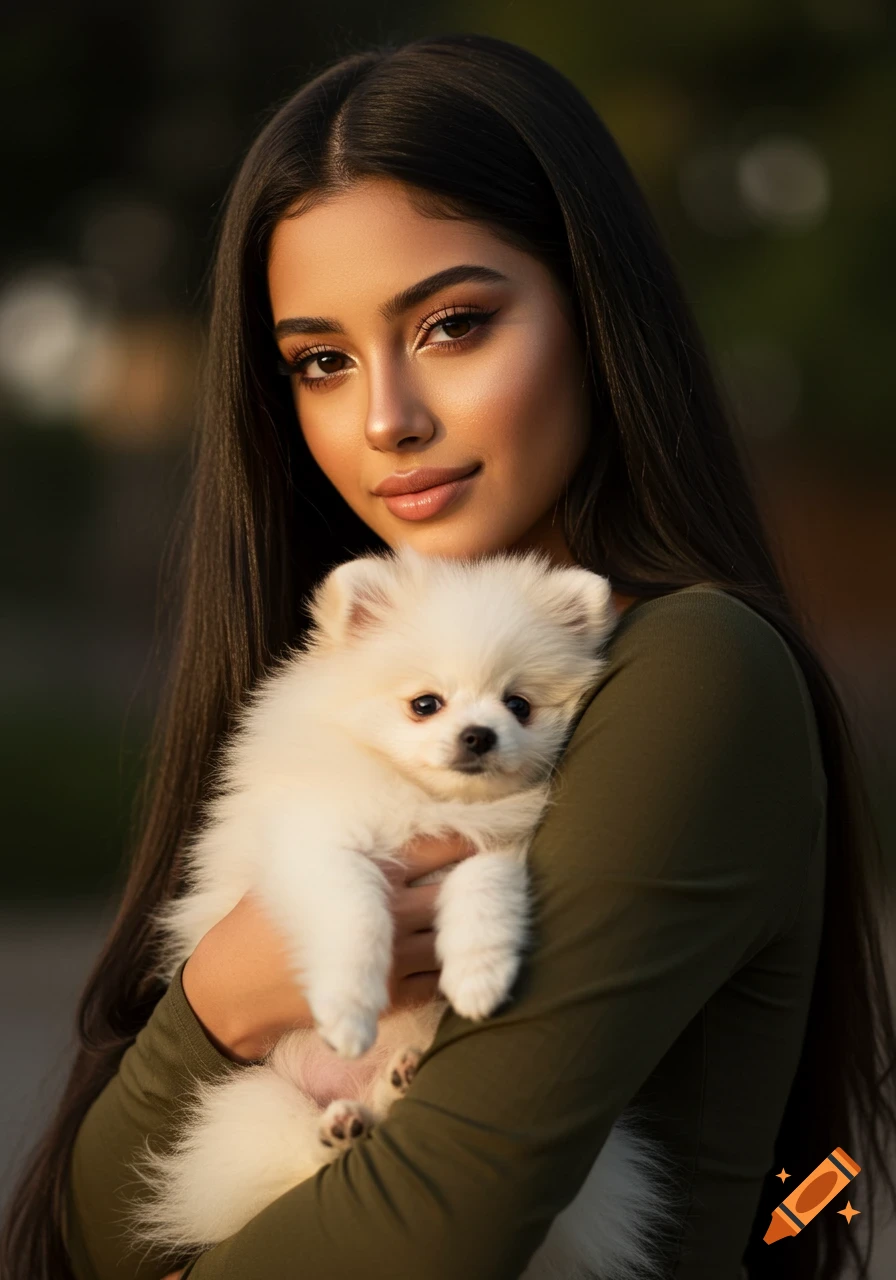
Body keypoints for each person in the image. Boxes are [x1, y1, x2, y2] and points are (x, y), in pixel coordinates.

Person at [2, 31, 894, 1280]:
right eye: (320, 360)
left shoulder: (687, 666)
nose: (385, 418)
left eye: (453, 324)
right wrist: (216, 1000)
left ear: (595, 309)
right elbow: (92, 1229)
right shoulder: (337, 688)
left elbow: (435, 1226)